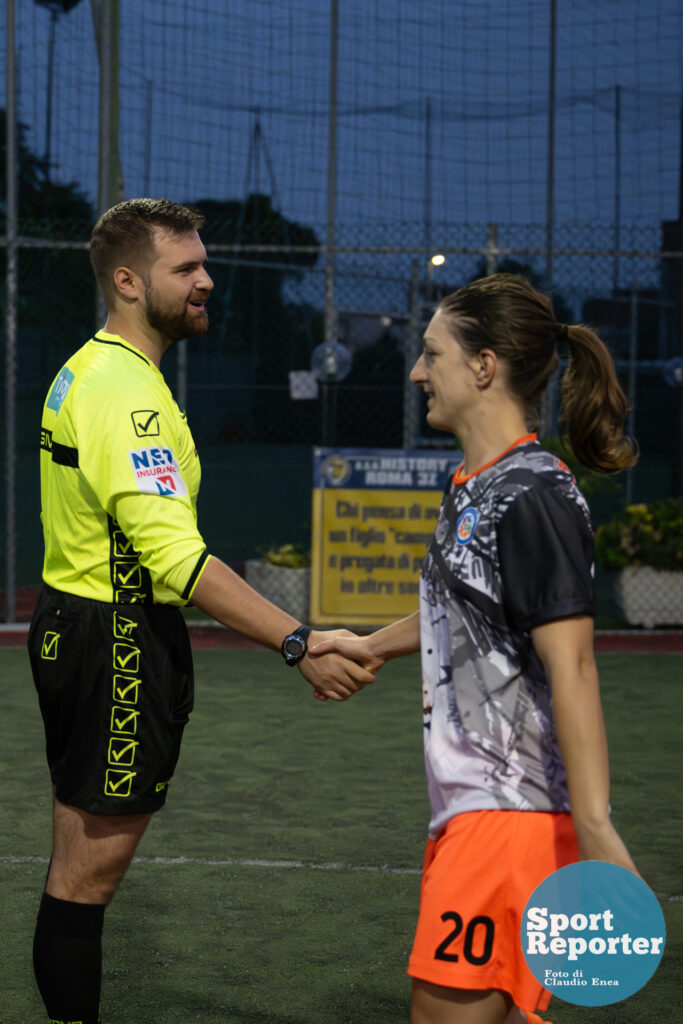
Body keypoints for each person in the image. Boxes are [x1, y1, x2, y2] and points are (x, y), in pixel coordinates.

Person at [27, 197, 380, 1024]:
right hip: (115, 638)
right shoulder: (126, 393)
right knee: (87, 879)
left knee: (74, 868)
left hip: (79, 625)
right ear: (125, 280)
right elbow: (178, 560)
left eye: (202, 263)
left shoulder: (94, 368)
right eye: (184, 268)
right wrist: (299, 641)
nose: (206, 281)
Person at [311, 273, 640, 1024]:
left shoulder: (534, 498)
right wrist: (366, 646)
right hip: (480, 815)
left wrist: (594, 827)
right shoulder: (477, 486)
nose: (417, 370)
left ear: (484, 366)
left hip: (508, 820)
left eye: (432, 353)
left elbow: (574, 665)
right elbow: (464, 613)